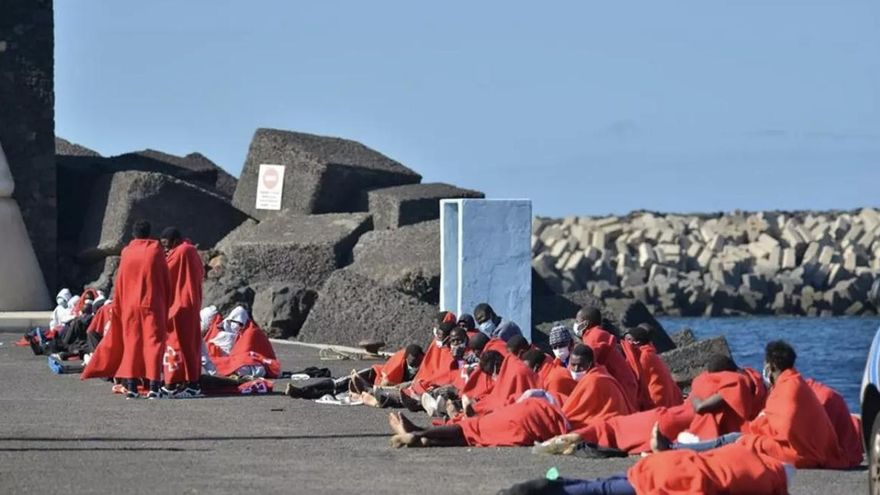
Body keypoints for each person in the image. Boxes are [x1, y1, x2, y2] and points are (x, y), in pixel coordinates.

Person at [652, 340, 848, 469]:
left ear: (771, 367)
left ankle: (673, 449)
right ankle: (675, 448)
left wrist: (759, 428)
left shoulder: (788, 388)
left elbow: (784, 426)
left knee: (737, 441)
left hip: (801, 453)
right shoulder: (794, 381)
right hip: (807, 448)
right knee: (735, 440)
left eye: (766, 365)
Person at [500, 443, 793, 495]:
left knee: (608, 481)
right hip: (673, 476)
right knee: (601, 489)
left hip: (664, 462)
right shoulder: (767, 482)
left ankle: (556, 481)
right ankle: (543, 489)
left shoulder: (743, 454)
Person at [107, 220, 172, 399]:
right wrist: (166, 302)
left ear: (134, 234)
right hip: (151, 304)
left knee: (132, 343)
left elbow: (120, 281)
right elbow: (165, 279)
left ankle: (132, 386)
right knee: (154, 343)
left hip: (129, 305)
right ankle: (154, 387)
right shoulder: (155, 251)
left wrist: (118, 304)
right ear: (149, 232)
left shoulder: (127, 252)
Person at [159, 227, 205, 398]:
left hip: (181, 305)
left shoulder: (182, 251)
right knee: (188, 345)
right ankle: (188, 382)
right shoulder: (191, 250)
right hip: (189, 304)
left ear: (175, 241)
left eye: (166, 245)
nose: (165, 249)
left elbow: (164, 272)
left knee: (179, 345)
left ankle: (181, 384)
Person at [572, 307, 639, 410]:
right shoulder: (596, 334)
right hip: (624, 382)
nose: (575, 324)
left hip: (622, 384)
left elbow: (588, 363)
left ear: (585, 324)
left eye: (577, 321)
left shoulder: (594, 337)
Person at [560, 345, 635, 427]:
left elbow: (576, 411)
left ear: (590, 364)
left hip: (613, 424)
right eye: (573, 365)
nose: (576, 369)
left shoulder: (594, 380)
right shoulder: (598, 373)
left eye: (581, 365)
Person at [623, 324, 683, 409]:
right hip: (670, 397)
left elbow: (636, 378)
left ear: (637, 342)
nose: (625, 343)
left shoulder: (645, 357)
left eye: (628, 340)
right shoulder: (650, 352)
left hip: (658, 401)